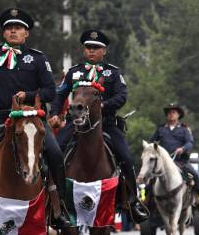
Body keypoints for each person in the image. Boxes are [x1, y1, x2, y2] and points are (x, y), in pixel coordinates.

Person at [0, 8, 66, 202]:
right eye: (9, 28)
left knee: (56, 154)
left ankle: (62, 206)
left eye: (18, 28)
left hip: (32, 119)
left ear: (26, 33)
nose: (13, 31)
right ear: (3, 33)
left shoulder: (38, 58)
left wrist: (30, 95)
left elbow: (50, 91)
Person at [50, 29, 147, 220]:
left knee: (126, 157)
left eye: (95, 48)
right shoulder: (74, 72)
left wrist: (103, 105)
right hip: (76, 124)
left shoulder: (113, 72)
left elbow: (122, 96)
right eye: (88, 47)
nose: (91, 51)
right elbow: (60, 94)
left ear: (104, 51)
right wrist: (54, 113)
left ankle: (133, 201)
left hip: (106, 123)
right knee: (54, 152)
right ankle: (53, 200)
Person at [150, 103, 199, 203]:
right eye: (169, 112)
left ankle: (198, 199)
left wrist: (182, 149)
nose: (171, 114)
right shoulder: (161, 129)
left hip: (181, 161)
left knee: (195, 176)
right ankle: (146, 202)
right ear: (166, 115)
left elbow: (190, 142)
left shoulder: (184, 129)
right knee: (149, 179)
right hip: (163, 163)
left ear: (178, 115)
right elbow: (152, 142)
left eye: (174, 112)